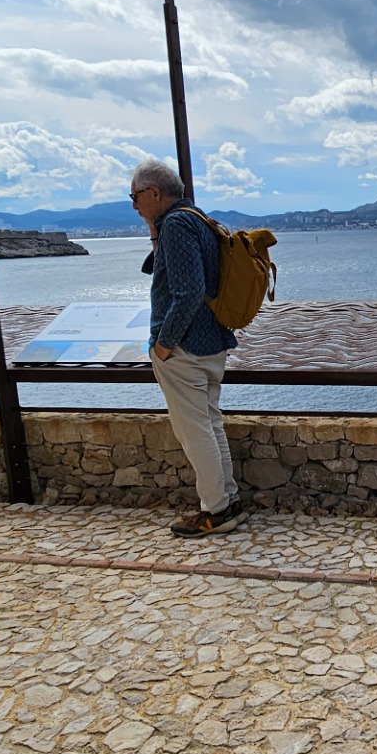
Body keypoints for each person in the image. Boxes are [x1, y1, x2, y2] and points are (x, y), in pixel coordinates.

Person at [130, 159, 245, 537]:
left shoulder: (177, 224)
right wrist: (153, 230)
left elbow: (188, 291)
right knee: (210, 424)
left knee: (195, 431)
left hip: (185, 350)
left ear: (154, 193)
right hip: (211, 343)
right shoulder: (197, 218)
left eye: (135, 197)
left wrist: (164, 343)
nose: (134, 205)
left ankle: (215, 510)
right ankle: (228, 500)